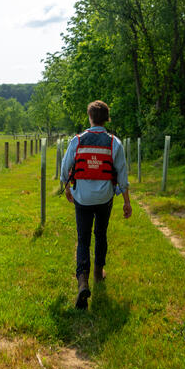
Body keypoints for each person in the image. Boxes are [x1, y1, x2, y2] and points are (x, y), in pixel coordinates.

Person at [60, 100, 132, 310]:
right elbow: (122, 174)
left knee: (83, 239)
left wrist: (66, 187)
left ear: (90, 117)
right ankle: (99, 274)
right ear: (106, 119)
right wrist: (126, 202)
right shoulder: (114, 143)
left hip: (81, 197)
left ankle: (82, 282)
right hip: (105, 198)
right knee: (100, 234)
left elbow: (66, 167)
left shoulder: (78, 140)